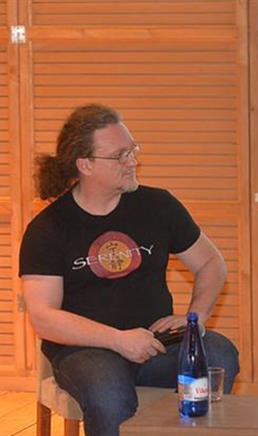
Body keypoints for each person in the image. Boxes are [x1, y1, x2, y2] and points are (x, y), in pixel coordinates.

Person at [19, 104, 240, 436]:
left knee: (220, 352)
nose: (132, 161)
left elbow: (211, 263)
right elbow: (43, 317)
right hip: (86, 351)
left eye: (132, 150)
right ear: (85, 164)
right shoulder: (48, 228)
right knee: (108, 393)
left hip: (157, 345)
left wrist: (196, 317)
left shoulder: (158, 206)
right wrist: (119, 340)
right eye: (119, 156)